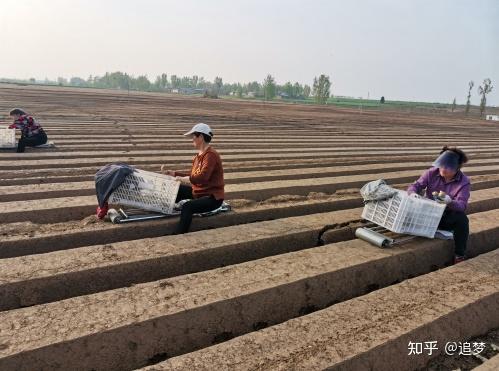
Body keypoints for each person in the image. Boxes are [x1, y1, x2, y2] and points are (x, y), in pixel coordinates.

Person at [407, 146, 470, 264]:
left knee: (462, 220)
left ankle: (459, 255)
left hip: (445, 215)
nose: (443, 169)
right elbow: (415, 186)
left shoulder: (463, 182)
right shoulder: (431, 173)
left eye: (448, 167)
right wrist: (412, 194)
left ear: (457, 168)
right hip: (427, 212)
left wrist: (450, 202)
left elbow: (462, 205)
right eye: (442, 164)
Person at [162, 123, 224, 234]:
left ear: (200, 137)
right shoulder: (198, 156)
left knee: (187, 207)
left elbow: (202, 177)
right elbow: (193, 175)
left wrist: (181, 178)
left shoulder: (211, 155)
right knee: (177, 189)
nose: (192, 139)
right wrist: (174, 173)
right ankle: (164, 208)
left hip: (212, 197)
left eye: (193, 136)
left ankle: (179, 233)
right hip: (199, 192)